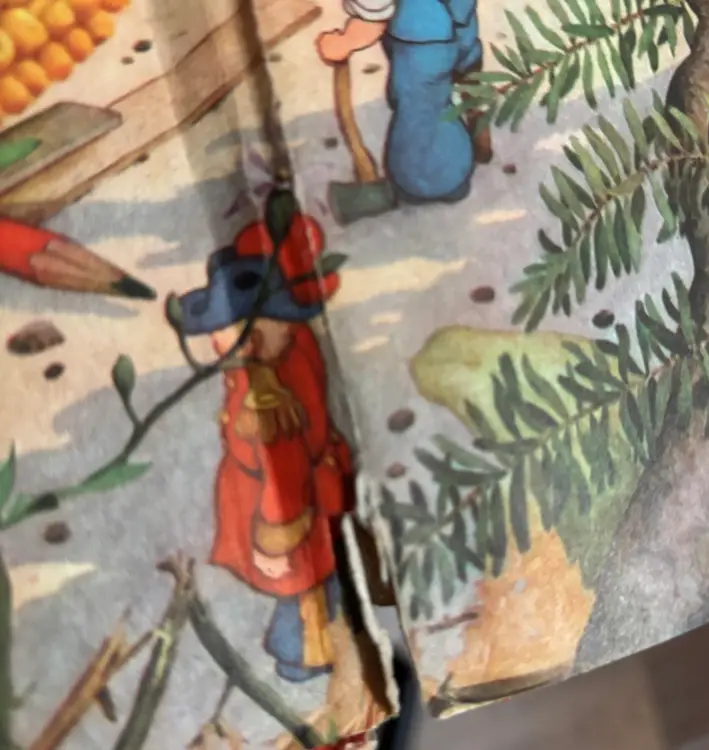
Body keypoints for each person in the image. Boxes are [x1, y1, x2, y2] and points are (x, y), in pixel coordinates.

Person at [177, 210, 355, 683]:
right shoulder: (267, 374)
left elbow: (288, 469)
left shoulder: (274, 393)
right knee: (312, 584)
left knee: (311, 583)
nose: (220, 343)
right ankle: (301, 650)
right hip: (285, 499)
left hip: (292, 503)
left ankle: (302, 652)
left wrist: (277, 532)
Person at [316, 0, 492, 206]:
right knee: (447, 80)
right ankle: (476, 137)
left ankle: (438, 182)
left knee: (421, 116)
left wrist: (346, 41)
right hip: (455, 16)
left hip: (422, 37)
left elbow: (374, 16)